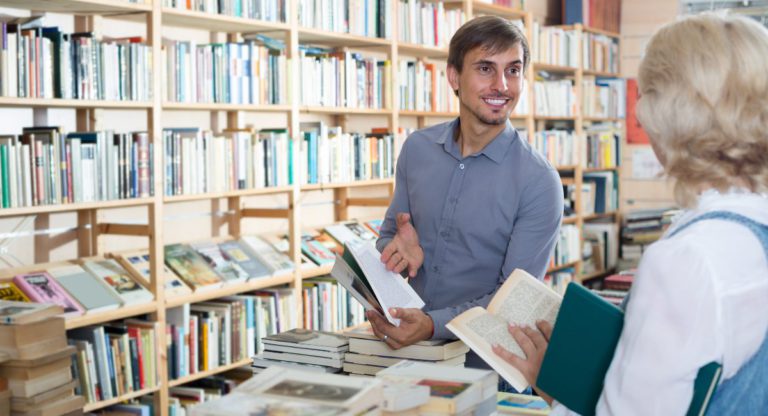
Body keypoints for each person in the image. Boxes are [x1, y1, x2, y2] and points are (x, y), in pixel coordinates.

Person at [494, 13, 768, 414]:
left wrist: (557, 392)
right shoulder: (748, 229)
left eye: (645, 93)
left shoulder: (686, 261)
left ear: (668, 112)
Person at [365, 15, 564, 374]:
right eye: (486, 68)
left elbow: (513, 303)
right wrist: (395, 252)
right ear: (454, 76)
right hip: (405, 358)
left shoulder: (539, 181)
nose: (502, 85)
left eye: (514, 70)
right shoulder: (417, 149)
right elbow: (387, 239)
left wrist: (432, 324)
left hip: (485, 368)